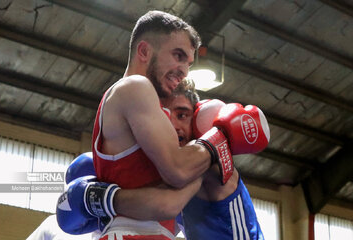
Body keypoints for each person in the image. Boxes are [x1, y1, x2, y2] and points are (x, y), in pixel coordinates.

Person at [57, 10, 269, 240]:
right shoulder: (135, 87)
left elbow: (167, 201)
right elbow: (177, 172)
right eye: (178, 55)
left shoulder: (132, 107)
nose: (184, 70)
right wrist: (221, 137)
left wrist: (106, 199)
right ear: (144, 51)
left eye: (188, 62)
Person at [56, 79, 266, 240]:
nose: (173, 125)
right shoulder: (167, 168)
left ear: (197, 121)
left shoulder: (204, 161)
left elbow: (166, 204)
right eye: (165, 114)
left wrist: (98, 199)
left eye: (182, 115)